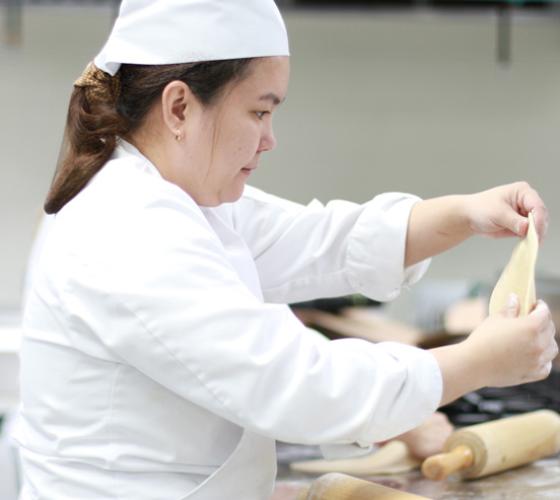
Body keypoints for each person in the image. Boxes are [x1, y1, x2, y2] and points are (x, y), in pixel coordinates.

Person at [12, 1, 557, 499]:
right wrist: (478, 361)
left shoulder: (183, 201)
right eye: (259, 112)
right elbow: (299, 383)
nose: (270, 138)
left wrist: (463, 214)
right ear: (179, 107)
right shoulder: (128, 227)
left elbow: (321, 240)